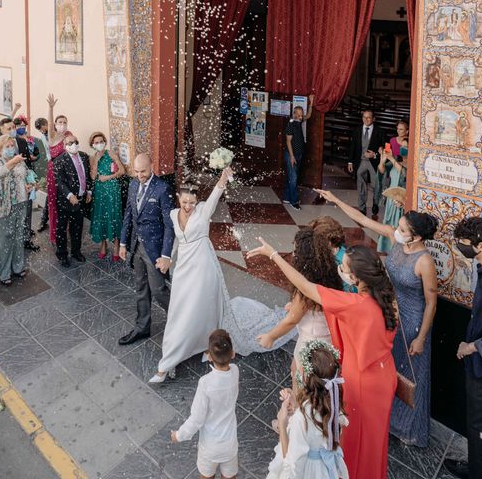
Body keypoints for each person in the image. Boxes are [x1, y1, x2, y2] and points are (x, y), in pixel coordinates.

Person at [247, 240, 398, 479]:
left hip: (362, 380)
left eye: (345, 268)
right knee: (374, 440)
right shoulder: (387, 297)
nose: (341, 270)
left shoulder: (356, 305)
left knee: (355, 441)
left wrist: (273, 254)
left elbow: (306, 287)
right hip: (384, 374)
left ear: (358, 278)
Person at [315, 188, 439, 446]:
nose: (397, 230)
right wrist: (336, 200)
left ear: (415, 237)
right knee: (389, 367)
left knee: (410, 374)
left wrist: (422, 338)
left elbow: (431, 304)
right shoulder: (397, 241)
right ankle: (388, 417)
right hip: (389, 310)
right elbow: (364, 221)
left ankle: (409, 428)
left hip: (414, 320)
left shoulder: (424, 261)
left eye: (403, 229)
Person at [149, 168, 296, 383]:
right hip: (183, 269)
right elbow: (175, 241)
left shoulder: (202, 211)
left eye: (192, 202)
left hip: (203, 269)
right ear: (179, 199)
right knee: (179, 310)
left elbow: (216, 192)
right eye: (184, 202)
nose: (188, 207)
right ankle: (176, 353)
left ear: (197, 200)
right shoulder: (173, 214)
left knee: (203, 308)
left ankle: (174, 360)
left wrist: (222, 179)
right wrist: (168, 259)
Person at [444, 218, 482, 479]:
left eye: (463, 244)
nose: (459, 247)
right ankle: (477, 467)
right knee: (476, 423)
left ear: (479, 246)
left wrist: (471, 347)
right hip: (479, 364)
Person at [256, 228, 343, 387]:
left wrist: (271, 337)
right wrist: (297, 306)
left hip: (312, 344)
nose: (294, 254)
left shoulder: (306, 286)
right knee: (296, 371)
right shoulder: (329, 272)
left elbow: (291, 320)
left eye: (296, 251)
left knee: (301, 383)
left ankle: (298, 408)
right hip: (326, 338)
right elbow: (312, 307)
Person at [266, 340, 349, 479]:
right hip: (325, 470)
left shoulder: (301, 418)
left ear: (306, 378)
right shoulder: (332, 400)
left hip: (307, 472)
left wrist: (282, 424)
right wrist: (297, 404)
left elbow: (293, 468)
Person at [118, 153, 174, 346]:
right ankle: (142, 327)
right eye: (136, 171)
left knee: (158, 290)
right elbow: (128, 215)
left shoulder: (162, 188)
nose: (139, 175)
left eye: (143, 171)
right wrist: (123, 243)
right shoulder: (133, 184)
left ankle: (182, 321)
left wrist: (166, 255)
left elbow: (169, 225)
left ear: (152, 166)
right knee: (141, 287)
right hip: (136, 246)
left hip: (155, 249)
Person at [171, 329, 239, 479]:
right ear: (232, 353)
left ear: (209, 356)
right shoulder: (235, 371)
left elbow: (197, 418)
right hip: (230, 444)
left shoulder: (206, 383)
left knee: (207, 476)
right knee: (230, 476)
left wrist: (179, 435)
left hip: (210, 447)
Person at [0, 135, 31, 286]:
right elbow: (0, 172)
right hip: (3, 205)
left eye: (12, 146)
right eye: (7, 146)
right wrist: (13, 161)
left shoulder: (19, 160)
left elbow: (27, 175)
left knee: (19, 235)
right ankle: (4, 272)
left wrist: (30, 184)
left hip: (21, 202)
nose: (10, 148)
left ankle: (18, 267)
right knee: (6, 237)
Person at [53, 133, 92, 267]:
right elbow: (60, 182)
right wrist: (70, 195)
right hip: (65, 201)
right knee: (61, 229)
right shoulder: (59, 160)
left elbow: (88, 176)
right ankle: (62, 254)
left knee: (78, 227)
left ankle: (76, 252)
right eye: (70, 143)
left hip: (81, 200)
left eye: (75, 142)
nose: (73, 145)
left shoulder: (84, 156)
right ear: (64, 146)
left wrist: (89, 191)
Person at [89, 132, 125, 261]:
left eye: (101, 141)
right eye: (96, 142)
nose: (99, 144)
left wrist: (108, 177)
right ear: (93, 145)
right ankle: (103, 244)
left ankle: (116, 245)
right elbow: (93, 177)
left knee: (113, 215)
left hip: (113, 189)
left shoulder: (111, 154)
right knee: (101, 216)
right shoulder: (93, 158)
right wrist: (97, 161)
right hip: (100, 191)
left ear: (104, 142)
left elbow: (122, 170)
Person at [42, 93, 71, 244]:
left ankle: (65, 228)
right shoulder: (52, 136)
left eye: (64, 122)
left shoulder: (69, 136)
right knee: (53, 202)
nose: (62, 124)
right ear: (55, 124)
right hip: (53, 171)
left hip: (65, 172)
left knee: (64, 201)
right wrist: (50, 108)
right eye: (60, 122)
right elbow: (48, 120)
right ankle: (54, 233)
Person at [377, 121, 409, 253]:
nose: (403, 149)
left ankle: (398, 249)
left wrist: (391, 158)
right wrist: (382, 159)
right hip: (391, 198)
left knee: (399, 223)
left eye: (405, 148)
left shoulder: (406, 165)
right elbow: (382, 171)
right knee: (388, 222)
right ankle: (387, 247)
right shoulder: (395, 161)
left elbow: (403, 173)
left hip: (401, 199)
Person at [348, 110, 385, 216]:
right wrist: (350, 161)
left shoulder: (380, 131)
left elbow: (384, 150)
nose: (366, 120)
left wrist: (374, 155)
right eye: (364, 117)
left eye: (369, 117)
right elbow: (353, 146)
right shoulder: (357, 130)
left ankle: (375, 204)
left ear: (374, 118)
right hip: (361, 162)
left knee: (376, 185)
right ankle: (362, 207)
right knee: (361, 185)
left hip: (374, 162)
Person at [14, 116, 41, 252]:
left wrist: (35, 157)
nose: (21, 127)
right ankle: (21, 235)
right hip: (17, 177)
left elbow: (37, 153)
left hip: (29, 173)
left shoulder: (29, 140)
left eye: (23, 125)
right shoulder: (11, 141)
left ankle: (26, 235)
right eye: (18, 125)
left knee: (28, 205)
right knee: (19, 207)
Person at [283, 95, 314, 210]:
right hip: (292, 155)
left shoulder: (299, 121)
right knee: (294, 178)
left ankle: (286, 197)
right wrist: (291, 156)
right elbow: (288, 141)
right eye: (299, 115)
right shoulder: (291, 123)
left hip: (299, 154)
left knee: (292, 177)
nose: (301, 117)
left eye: (302, 115)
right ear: (294, 114)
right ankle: (294, 201)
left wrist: (311, 103)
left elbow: (309, 115)